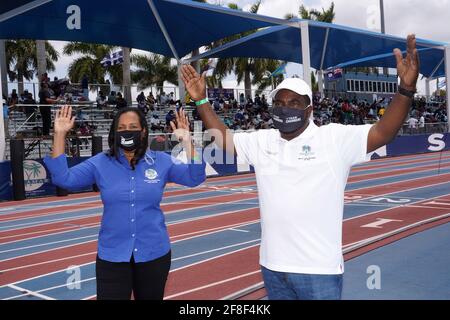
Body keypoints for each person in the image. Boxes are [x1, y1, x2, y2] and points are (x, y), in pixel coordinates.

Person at [180, 34, 420, 300]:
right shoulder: (263, 140)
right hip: (273, 268)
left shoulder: (332, 138)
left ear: (309, 109)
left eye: (294, 103)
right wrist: (201, 101)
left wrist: (405, 90)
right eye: (279, 103)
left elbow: (383, 132)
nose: (285, 109)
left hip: (318, 270)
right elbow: (223, 138)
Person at [43, 106, 206, 300]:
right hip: (112, 256)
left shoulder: (161, 161)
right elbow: (63, 179)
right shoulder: (100, 163)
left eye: (132, 126)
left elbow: (195, 177)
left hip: (154, 254)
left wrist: (187, 142)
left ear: (143, 130)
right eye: (121, 127)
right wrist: (59, 134)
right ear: (115, 132)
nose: (127, 131)